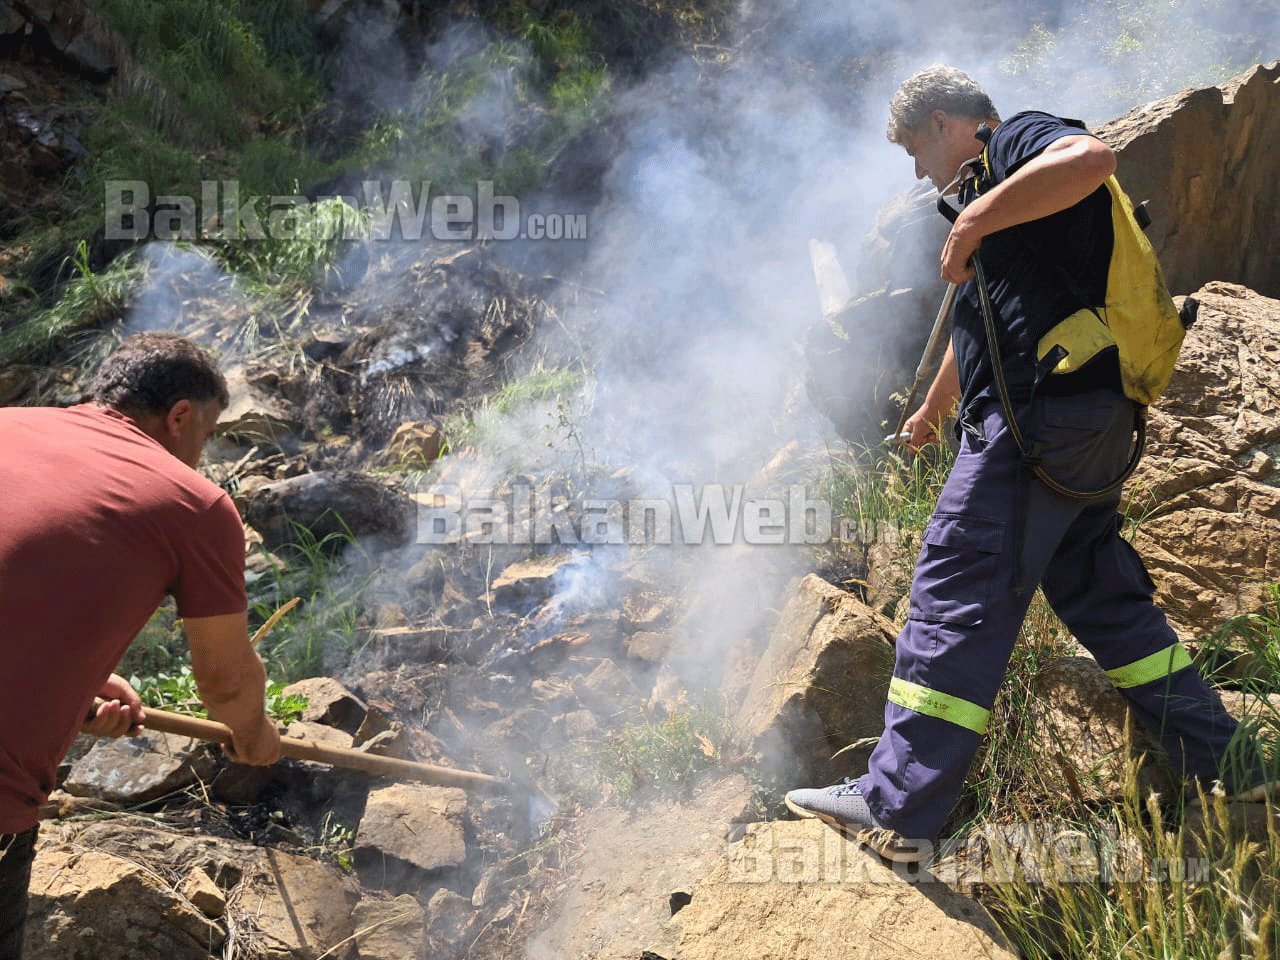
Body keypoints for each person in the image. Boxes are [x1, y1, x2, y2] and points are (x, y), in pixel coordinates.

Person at [785, 65, 1272, 863]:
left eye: (915, 149)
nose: (918, 170)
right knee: (1103, 598)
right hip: (1090, 422)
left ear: (944, 123)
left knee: (953, 582)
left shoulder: (1013, 143)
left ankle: (895, 804)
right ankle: (1231, 762)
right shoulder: (1011, 209)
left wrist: (973, 216)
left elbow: (1094, 160)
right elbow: (981, 321)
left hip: (1039, 422)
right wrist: (934, 410)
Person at [0, 332, 282, 957]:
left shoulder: (7, 426)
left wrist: (70, 700)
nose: (201, 459)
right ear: (180, 417)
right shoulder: (194, 505)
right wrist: (256, 733)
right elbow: (226, 686)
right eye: (206, 438)